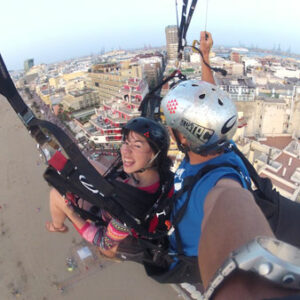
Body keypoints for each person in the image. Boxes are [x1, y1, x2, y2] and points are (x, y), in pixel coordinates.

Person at [161, 31, 299, 299]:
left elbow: (229, 199)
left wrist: (253, 288)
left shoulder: (219, 182)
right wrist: (205, 57)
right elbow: (208, 104)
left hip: (187, 259)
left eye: (171, 128)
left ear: (184, 138)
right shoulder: (222, 148)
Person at [45, 117, 173, 258]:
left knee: (56, 195)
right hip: (123, 201)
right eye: (126, 142)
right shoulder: (159, 176)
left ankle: (58, 226)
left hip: (113, 222)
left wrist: (71, 215)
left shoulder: (131, 208)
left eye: (137, 146)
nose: (125, 151)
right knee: (87, 164)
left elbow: (104, 242)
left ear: (155, 155)